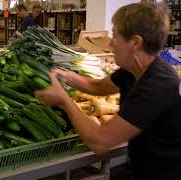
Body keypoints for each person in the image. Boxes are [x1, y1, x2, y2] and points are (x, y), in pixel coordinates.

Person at [35, 3, 181, 180]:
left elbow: (100, 141)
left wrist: (64, 101)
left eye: (115, 36)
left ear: (135, 43)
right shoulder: (132, 70)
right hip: (142, 167)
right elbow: (98, 87)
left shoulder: (157, 84)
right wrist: (66, 76)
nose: (110, 44)